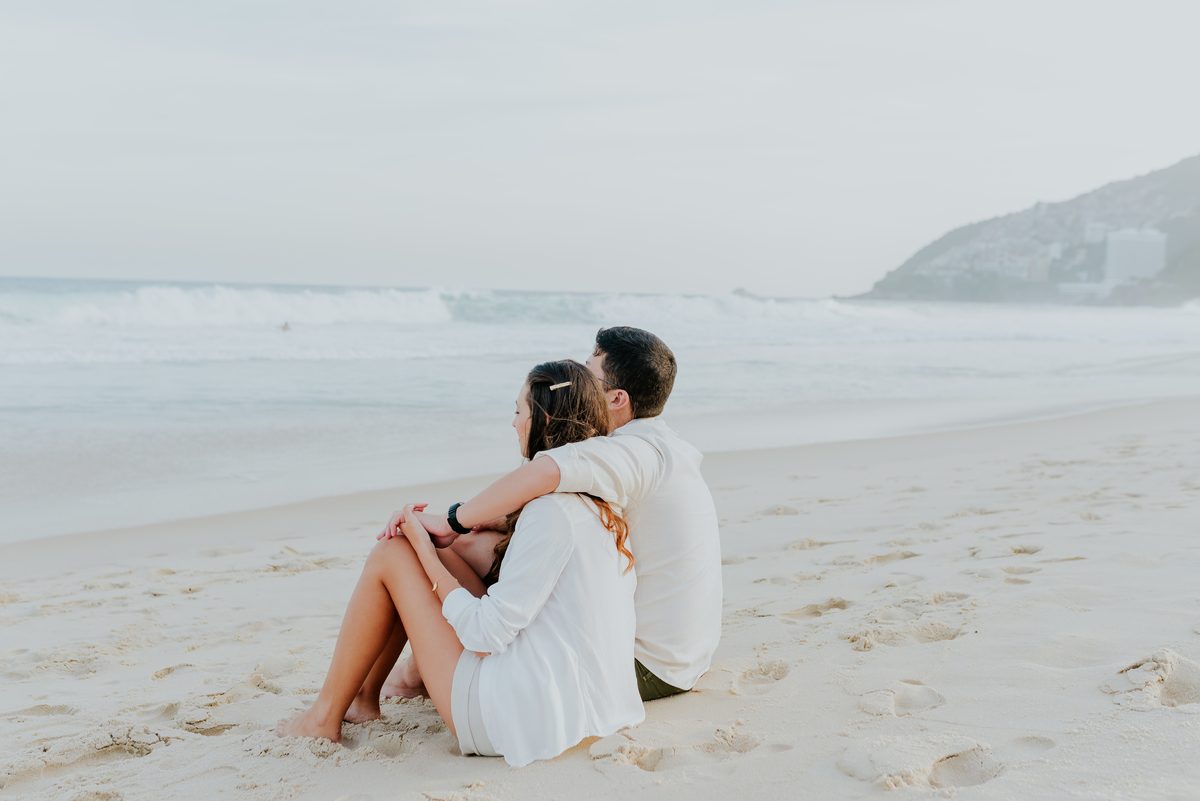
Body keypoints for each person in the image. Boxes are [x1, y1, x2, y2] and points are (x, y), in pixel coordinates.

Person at [276, 360, 643, 767]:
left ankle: (323, 717)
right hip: (577, 701)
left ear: (541, 419)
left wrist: (427, 557)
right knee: (422, 551)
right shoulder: (598, 503)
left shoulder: (550, 514)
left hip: (508, 718)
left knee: (392, 553)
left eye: (518, 411)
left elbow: (487, 635)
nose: (514, 423)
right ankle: (362, 698)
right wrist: (441, 542)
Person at [383, 327, 722, 703]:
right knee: (489, 541)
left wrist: (453, 520)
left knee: (463, 548)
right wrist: (486, 520)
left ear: (617, 398)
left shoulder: (633, 453)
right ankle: (415, 672)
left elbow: (545, 471)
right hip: (681, 658)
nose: (575, 383)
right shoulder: (662, 445)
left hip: (643, 667)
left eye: (589, 378)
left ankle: (414, 675)